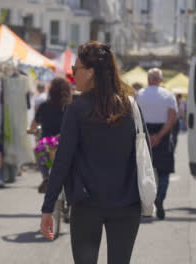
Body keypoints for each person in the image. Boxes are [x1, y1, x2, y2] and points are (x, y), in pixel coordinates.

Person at [41, 41, 147, 264]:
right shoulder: (129, 105)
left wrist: (48, 207)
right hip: (127, 205)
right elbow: (143, 153)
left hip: (87, 204)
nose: (72, 76)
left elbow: (62, 160)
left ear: (90, 72)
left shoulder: (77, 108)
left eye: (75, 70)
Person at [137, 68, 178, 220]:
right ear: (160, 80)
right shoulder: (168, 95)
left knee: (142, 170)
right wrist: (159, 136)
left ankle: (144, 203)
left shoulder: (139, 94)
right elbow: (172, 118)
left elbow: (136, 117)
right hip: (163, 134)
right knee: (164, 172)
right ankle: (160, 197)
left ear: (148, 79)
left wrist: (149, 136)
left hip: (144, 133)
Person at [28, 77, 72, 193]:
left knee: (38, 151)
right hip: (65, 143)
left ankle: (46, 176)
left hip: (47, 144)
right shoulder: (71, 107)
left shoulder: (43, 107)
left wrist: (32, 131)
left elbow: (33, 126)